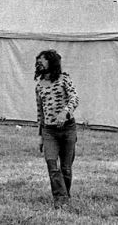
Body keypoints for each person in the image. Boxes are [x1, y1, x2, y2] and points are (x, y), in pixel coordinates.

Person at [34, 49, 79, 207]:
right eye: (38, 60)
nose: (39, 62)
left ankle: (65, 195)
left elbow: (74, 97)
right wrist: (40, 136)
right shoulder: (39, 86)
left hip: (68, 129)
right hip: (49, 131)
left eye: (43, 60)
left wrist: (65, 112)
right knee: (52, 165)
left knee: (66, 168)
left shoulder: (64, 79)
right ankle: (60, 200)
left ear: (52, 62)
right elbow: (40, 112)